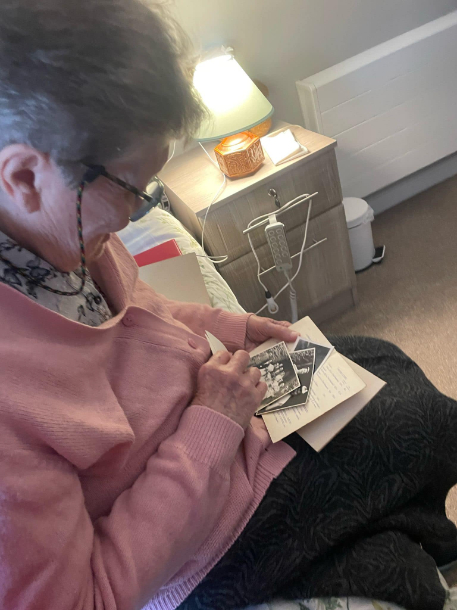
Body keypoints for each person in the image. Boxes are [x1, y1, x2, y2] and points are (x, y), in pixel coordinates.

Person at [0, 2, 456, 610]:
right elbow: (87, 598)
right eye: (134, 189)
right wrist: (212, 426)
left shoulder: (61, 235)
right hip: (202, 540)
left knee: (382, 360)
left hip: (226, 430)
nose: (137, 213)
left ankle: (414, 534)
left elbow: (142, 312)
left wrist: (233, 326)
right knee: (424, 423)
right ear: (26, 178)